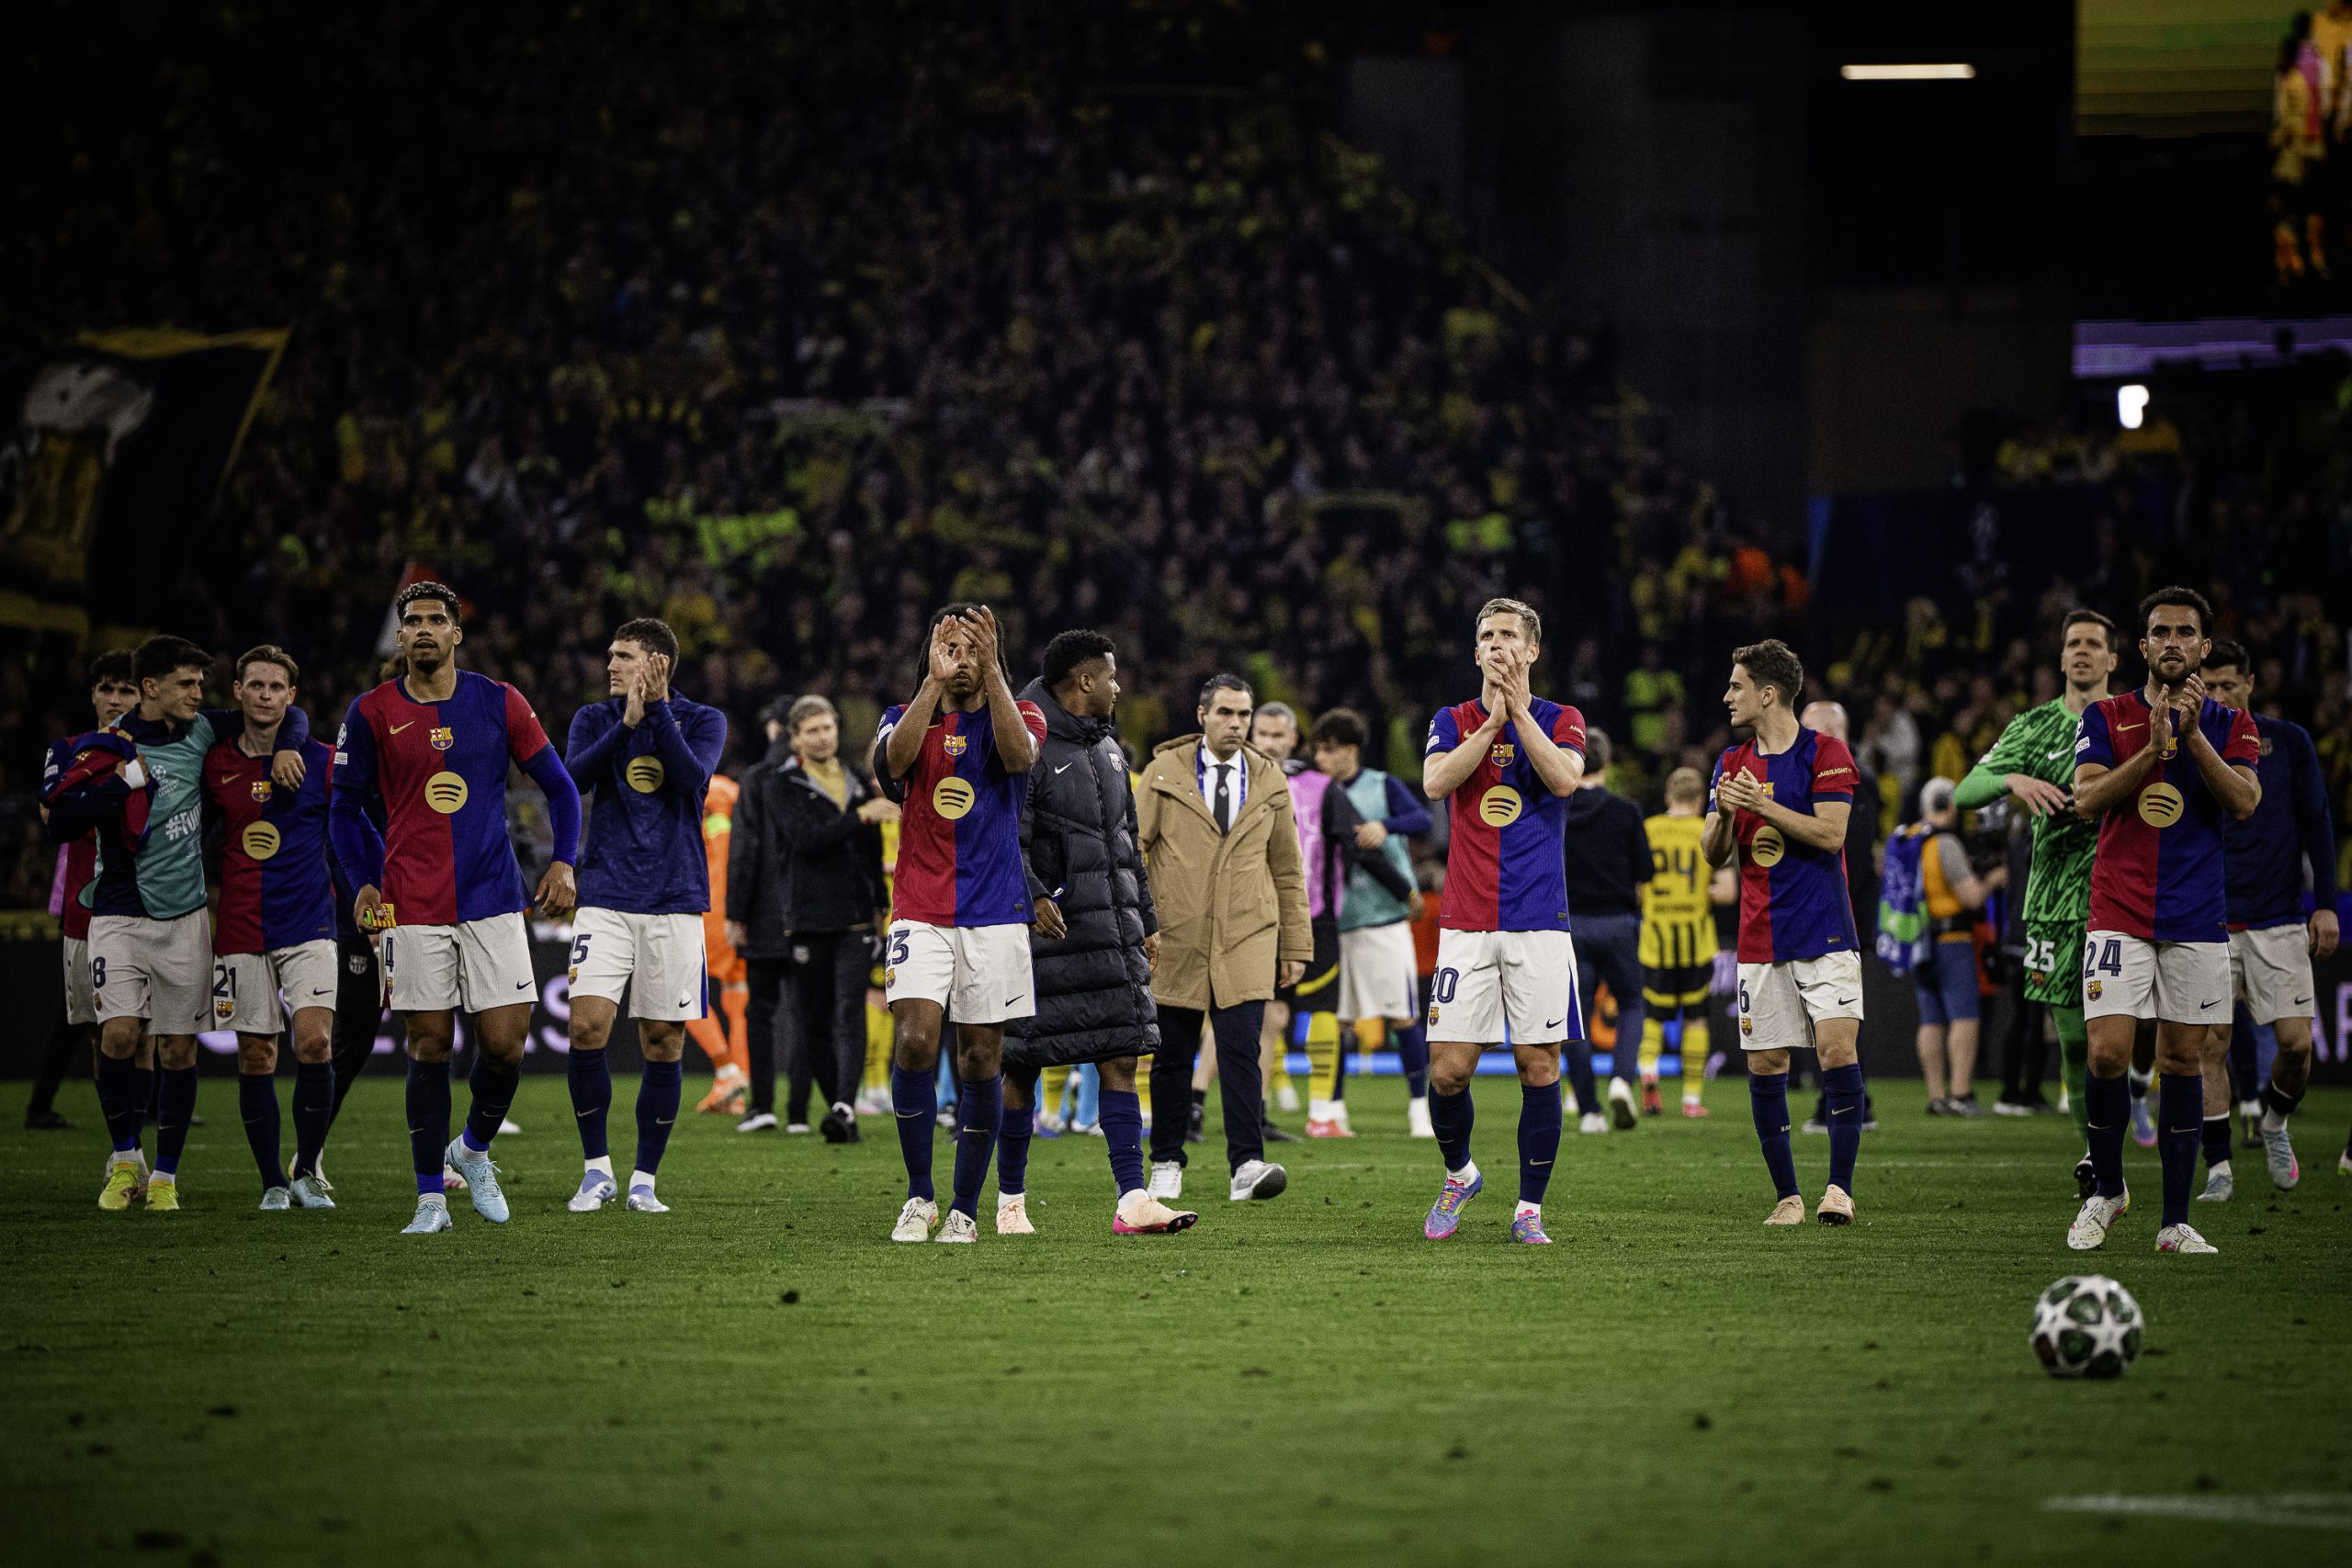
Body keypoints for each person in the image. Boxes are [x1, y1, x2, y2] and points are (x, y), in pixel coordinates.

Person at [330, 581, 582, 1235]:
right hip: (411, 903)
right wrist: (362, 881)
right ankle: (429, 1201)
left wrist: (563, 861)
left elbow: (560, 787)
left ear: (455, 633)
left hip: (492, 897)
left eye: (435, 620)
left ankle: (470, 1149)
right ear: (401, 634)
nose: (423, 629)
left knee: (505, 1046)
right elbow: (343, 807)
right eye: (412, 620)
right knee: (430, 1044)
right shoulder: (371, 710)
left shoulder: (499, 700)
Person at [43, 635, 310, 1212]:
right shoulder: (107, 746)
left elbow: (287, 712)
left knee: (179, 1051)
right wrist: (121, 783)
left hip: (186, 917)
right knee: (118, 1036)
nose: (198, 694)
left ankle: (164, 1176)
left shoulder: (203, 731)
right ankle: (124, 1159)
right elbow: (59, 821)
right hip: (117, 911)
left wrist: (288, 746)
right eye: (187, 684)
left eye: (201, 684)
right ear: (151, 687)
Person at [2065, 587, 2259, 1255]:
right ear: (2143, 646)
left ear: (2203, 646)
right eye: (2160, 632)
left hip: (2196, 918)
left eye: (2185, 632)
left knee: (2181, 1058)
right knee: (2106, 1051)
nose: (2172, 642)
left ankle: (2175, 1221)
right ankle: (2108, 1190)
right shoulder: (2107, 715)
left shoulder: (2233, 723)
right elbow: (2086, 798)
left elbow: (2244, 801)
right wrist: (2151, 751)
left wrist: (2192, 736)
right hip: (2118, 910)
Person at [997, 629, 1194, 1235]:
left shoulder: (1109, 748)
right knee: (1020, 1063)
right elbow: (1006, 834)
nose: (1118, 687)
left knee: (1120, 1054)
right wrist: (1032, 895)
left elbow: (1127, 845)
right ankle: (1010, 1202)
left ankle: (1133, 1197)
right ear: (1084, 680)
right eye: (1110, 676)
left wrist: (1147, 918)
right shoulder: (1024, 740)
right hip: (1045, 933)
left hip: (1111, 929)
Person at [871, 604, 1044, 1243]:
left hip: (995, 912)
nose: (962, 659)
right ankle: (919, 1196)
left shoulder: (1023, 713)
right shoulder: (902, 714)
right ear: (931, 652)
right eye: (951, 647)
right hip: (920, 907)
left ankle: (965, 1208)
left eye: (974, 648)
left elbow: (1020, 759)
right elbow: (893, 768)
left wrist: (993, 672)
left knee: (980, 1056)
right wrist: (932, 684)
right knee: (916, 1038)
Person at [1419, 597, 1588, 1246]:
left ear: (1532, 650)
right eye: (1487, 635)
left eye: (1509, 635)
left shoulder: (1562, 719)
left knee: (1538, 1067)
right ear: (1475, 652)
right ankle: (1460, 1173)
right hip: (1466, 919)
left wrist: (1517, 713)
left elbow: (1564, 780)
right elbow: (1436, 783)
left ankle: (1528, 1209)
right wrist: (1491, 724)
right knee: (1447, 1071)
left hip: (1539, 919)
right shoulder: (1452, 719)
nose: (1497, 644)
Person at [561, 617, 728, 1214]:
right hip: (605, 895)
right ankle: (596, 1170)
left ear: (657, 664)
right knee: (587, 1029)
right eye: (610, 654)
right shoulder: (594, 717)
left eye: (623, 656)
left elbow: (690, 780)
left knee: (663, 1040)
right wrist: (628, 722)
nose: (610, 664)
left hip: (675, 898)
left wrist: (656, 712)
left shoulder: (704, 720)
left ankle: (644, 1180)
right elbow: (572, 780)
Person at [1702, 638, 1867, 1226]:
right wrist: (1727, 814)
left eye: (1737, 686)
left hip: (1825, 931)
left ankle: (1839, 1190)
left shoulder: (1826, 752)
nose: (1728, 696)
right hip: (1759, 936)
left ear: (1768, 694)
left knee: (1836, 1051)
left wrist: (1762, 806)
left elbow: (1830, 835)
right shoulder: (1730, 762)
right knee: (1766, 1064)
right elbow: (1713, 854)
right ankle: (1788, 1197)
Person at [1952, 608, 2119, 1195]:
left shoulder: (2130, 720)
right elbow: (1965, 791)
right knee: (2072, 1038)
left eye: (2093, 643)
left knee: (2118, 1037)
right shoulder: (2034, 726)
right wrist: (2012, 781)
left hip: (2118, 896)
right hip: (2050, 900)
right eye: (2073, 643)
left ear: (2112, 658)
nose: (2082, 651)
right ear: (2062, 656)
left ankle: (2134, 1103)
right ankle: (2095, 1154)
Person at [1137, 673, 1309, 1204]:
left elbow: (1287, 867)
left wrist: (1295, 945)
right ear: (1202, 716)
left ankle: (1246, 1165)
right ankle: (1166, 1161)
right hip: (1175, 936)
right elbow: (1133, 851)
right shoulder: (1164, 771)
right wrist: (1138, 925)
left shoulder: (1268, 778)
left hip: (1247, 935)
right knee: (1172, 1057)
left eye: (1244, 715)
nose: (1236, 724)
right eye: (1226, 713)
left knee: (1241, 1052)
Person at [201, 645, 341, 1211]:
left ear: (292, 696)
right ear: (238, 692)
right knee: (256, 1055)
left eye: (276, 686)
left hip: (309, 923)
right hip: (241, 926)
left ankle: (306, 1171)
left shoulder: (321, 761)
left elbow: (353, 829)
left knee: (315, 1042)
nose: (265, 695)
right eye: (255, 685)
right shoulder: (214, 762)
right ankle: (272, 1183)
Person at [2199, 641, 2335, 1196]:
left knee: (2297, 1047)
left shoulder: (2290, 742)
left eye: (2229, 685)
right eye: (2209, 686)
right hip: (2209, 919)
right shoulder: (2188, 742)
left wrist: (2325, 903)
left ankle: (2275, 1122)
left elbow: (2318, 822)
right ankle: (2218, 1167)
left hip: (2279, 917)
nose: (2219, 695)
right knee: (2210, 1045)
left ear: (2250, 684)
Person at [760, 695, 893, 1141]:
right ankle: (840, 1103)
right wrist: (860, 816)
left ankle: (843, 1107)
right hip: (807, 916)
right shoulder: (782, 784)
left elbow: (871, 852)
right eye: (813, 731)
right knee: (814, 1021)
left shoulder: (854, 778)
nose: (823, 737)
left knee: (850, 1013)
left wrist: (879, 904)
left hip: (855, 916)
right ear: (796, 738)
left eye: (828, 728)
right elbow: (804, 839)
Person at [1312, 707, 1435, 1137]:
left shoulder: (1382, 785)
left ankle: (1419, 1108)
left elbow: (1423, 819)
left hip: (1383, 916)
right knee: (1338, 1021)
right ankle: (1333, 1109)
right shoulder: (1315, 792)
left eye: (1329, 750)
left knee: (1402, 1014)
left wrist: (1386, 825)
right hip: (1336, 920)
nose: (1321, 759)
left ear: (1351, 750)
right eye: (1318, 750)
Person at [28, 650, 138, 1131]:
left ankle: (142, 1114)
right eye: (106, 689)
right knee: (96, 1030)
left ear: (143, 694)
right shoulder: (67, 750)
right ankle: (121, 1131)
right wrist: (119, 786)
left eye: (126, 690)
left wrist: (89, 797)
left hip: (151, 909)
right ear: (92, 694)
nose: (115, 699)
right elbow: (53, 815)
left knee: (151, 1030)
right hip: (84, 911)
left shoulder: (160, 751)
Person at [1887, 778, 2005, 1115]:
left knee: (1931, 1020)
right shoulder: (1945, 843)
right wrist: (1994, 879)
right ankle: (1961, 1094)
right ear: (1947, 803)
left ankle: (1936, 1096)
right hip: (1952, 940)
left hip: (1918, 940)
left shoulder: (1907, 838)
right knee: (1964, 1017)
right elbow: (1971, 897)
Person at [1561, 726, 1651, 1129]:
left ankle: (1589, 1110)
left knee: (1574, 1018)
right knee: (1631, 1003)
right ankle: (1620, 1080)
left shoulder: (1557, 809)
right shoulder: (1626, 812)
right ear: (1608, 762)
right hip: (1617, 923)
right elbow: (1644, 873)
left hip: (1569, 925)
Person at [1799, 699, 1881, 1134]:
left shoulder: (1856, 782)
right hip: (1825, 910)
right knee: (1829, 1013)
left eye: (1810, 731)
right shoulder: (1826, 777)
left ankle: (1850, 1103)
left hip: (1840, 914)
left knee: (1839, 1014)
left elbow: (1856, 856)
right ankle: (1846, 1100)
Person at [725, 697, 798, 1133]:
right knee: (809, 1014)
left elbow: (744, 852)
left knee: (761, 1012)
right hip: (811, 915)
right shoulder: (822, 775)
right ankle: (801, 1114)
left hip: (765, 914)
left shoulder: (756, 778)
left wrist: (736, 913)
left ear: (774, 728)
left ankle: (763, 1105)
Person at [1639, 767, 1724, 1118]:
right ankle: (1690, 1099)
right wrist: (1700, 893)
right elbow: (1728, 890)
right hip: (1696, 939)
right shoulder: (1708, 830)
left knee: (1652, 1016)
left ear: (1667, 797)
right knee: (1696, 1018)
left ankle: (1648, 1070)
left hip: (1655, 938)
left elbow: (1637, 886)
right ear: (1701, 800)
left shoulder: (1648, 829)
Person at [687, 766, 752, 1116]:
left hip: (710, 902)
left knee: (679, 987)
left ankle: (726, 1072)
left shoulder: (707, 792)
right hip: (740, 903)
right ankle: (737, 1088)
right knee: (736, 991)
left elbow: (722, 849)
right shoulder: (733, 789)